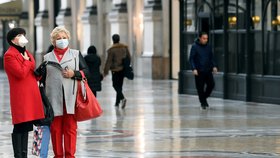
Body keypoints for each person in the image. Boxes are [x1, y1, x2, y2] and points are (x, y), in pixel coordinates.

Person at [36, 26, 89, 158]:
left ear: (68, 39)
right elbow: (40, 77)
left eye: (64, 38)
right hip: (53, 99)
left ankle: (70, 155)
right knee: (55, 129)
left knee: (70, 129)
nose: (62, 40)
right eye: (58, 38)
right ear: (53, 41)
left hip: (71, 99)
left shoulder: (76, 54)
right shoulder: (47, 57)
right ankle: (58, 155)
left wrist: (74, 73)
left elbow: (87, 71)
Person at [4, 27, 45, 158]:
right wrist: (27, 61)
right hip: (21, 96)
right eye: (19, 35)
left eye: (23, 34)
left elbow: (30, 71)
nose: (22, 37)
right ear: (12, 40)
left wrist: (39, 74)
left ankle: (24, 154)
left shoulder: (26, 52)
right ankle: (18, 155)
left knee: (27, 125)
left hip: (32, 94)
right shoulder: (9, 55)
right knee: (20, 125)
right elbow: (20, 73)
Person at [189, 32, 218, 110]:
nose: (206, 40)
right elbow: (191, 59)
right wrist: (194, 68)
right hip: (199, 71)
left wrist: (214, 66)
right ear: (200, 38)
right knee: (200, 87)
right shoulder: (194, 47)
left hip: (208, 70)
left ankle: (203, 98)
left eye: (207, 38)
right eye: (204, 38)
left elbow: (211, 57)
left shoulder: (208, 47)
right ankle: (203, 103)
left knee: (211, 84)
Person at [104, 34, 131, 109]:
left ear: (113, 40)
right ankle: (117, 102)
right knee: (119, 86)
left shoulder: (111, 49)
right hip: (123, 70)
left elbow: (108, 61)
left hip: (115, 70)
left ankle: (122, 98)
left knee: (115, 85)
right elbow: (129, 57)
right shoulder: (124, 48)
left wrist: (105, 71)